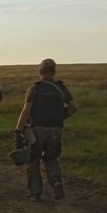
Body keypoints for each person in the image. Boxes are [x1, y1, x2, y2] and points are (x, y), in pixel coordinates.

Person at [14, 58, 78, 201]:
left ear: (40, 71)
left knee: (33, 159)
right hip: (56, 129)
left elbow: (26, 112)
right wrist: (61, 117)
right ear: (54, 72)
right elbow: (74, 107)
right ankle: (56, 181)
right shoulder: (61, 88)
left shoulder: (35, 88)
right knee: (51, 158)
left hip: (38, 129)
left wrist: (18, 130)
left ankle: (35, 193)